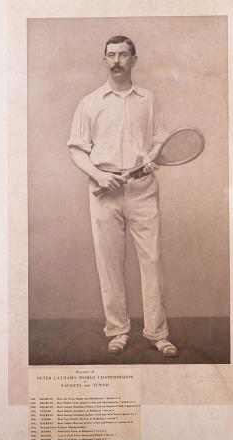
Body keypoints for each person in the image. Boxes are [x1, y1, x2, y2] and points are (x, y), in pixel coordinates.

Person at [67, 35, 178, 357]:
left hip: (142, 190)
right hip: (103, 193)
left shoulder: (149, 99)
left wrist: (152, 156)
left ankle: (158, 334)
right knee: (109, 264)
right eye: (111, 55)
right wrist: (100, 175)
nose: (117, 60)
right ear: (104, 60)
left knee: (152, 262)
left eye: (123, 55)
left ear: (134, 60)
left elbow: (160, 138)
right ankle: (117, 331)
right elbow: (76, 148)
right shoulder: (90, 102)